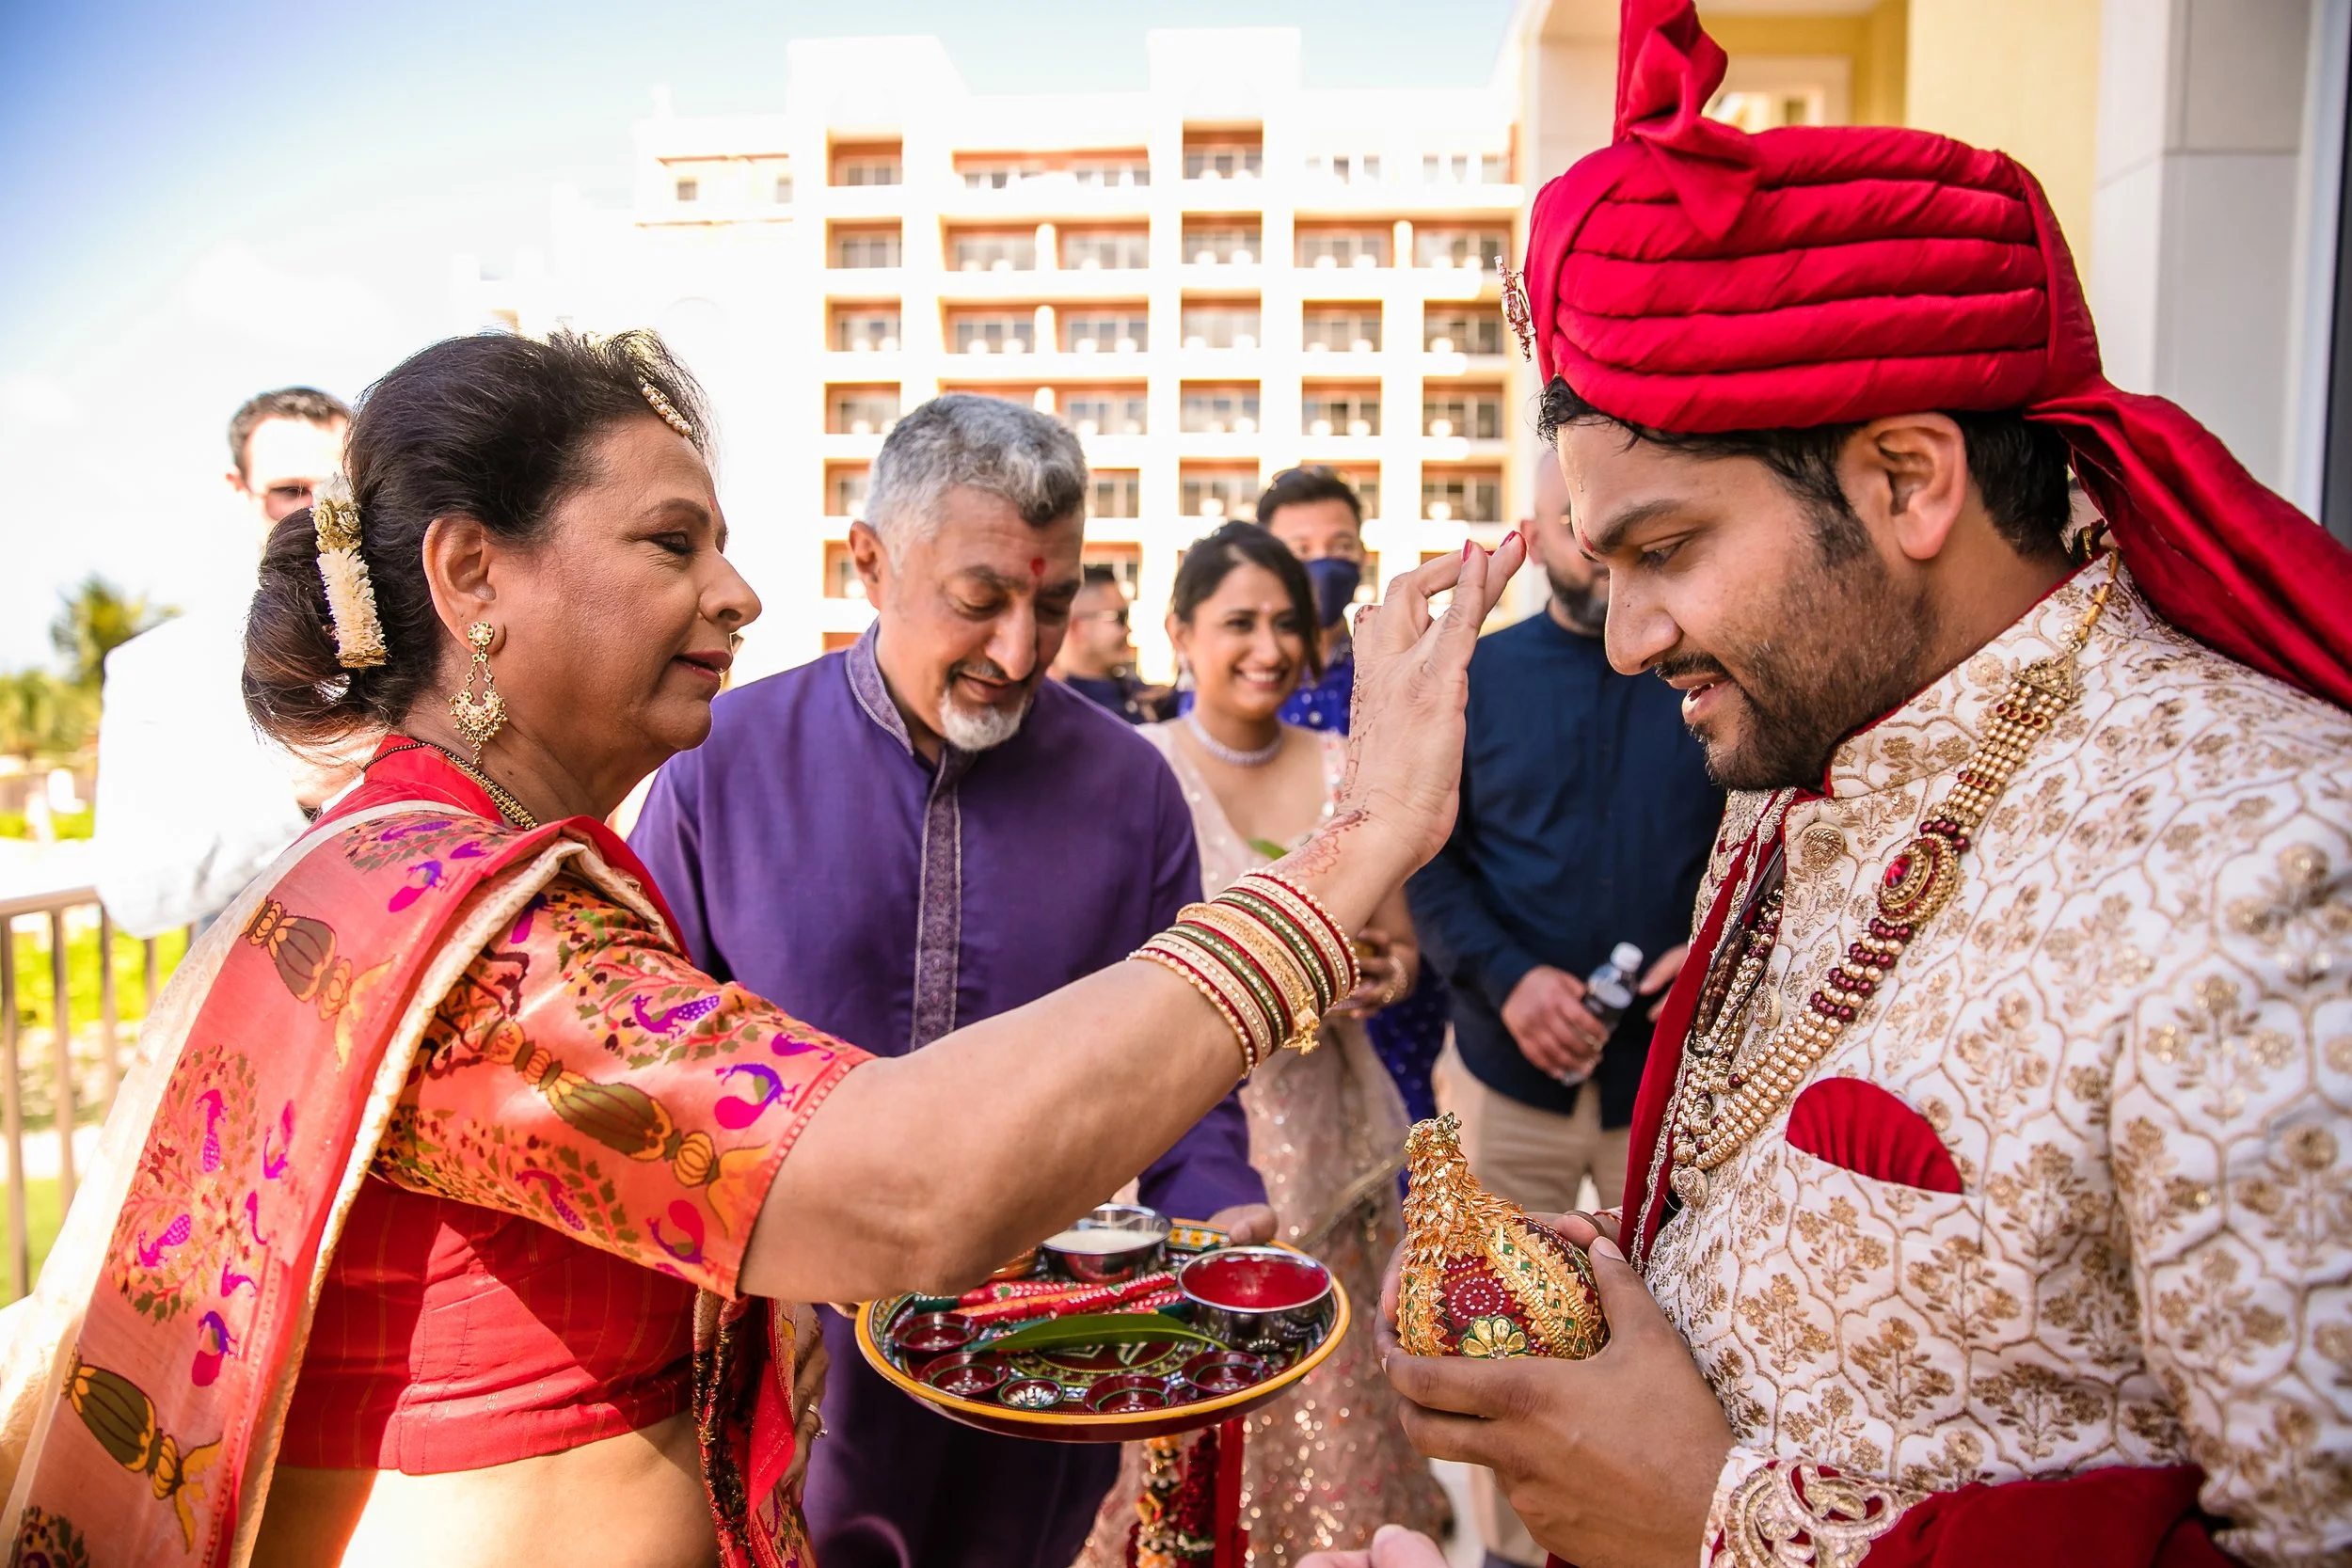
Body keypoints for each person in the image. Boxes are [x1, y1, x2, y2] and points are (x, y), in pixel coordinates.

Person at [0, 330, 1524, 1568]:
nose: (738, 593)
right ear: (473, 577)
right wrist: (1355, 846)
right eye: (672, 541)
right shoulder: (481, 953)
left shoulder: (435, 876)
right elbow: (904, 1180)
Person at [1313, 4, 2352, 1566]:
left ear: (1908, 479)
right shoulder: (1816, 749)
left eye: (1667, 551)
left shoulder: (2270, 874)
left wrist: (1724, 1525)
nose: (1631, 638)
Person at [628, 396, 1274, 1568]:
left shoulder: (1129, 793)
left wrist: (1217, 1197)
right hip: (791, 1347)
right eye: (980, 600)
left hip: (1048, 1350)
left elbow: (1188, 1069)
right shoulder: (720, 764)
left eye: (1054, 601)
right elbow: (648, 1077)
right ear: (868, 563)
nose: (1020, 652)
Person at [1074, 524, 1447, 1568]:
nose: (1269, 645)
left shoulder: (1348, 770)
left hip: (1331, 1140)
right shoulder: (1135, 772)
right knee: (1188, 1413)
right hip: (1192, 1131)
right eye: (1238, 620)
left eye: (1288, 621)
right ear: (1179, 633)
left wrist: (1383, 974)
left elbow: (1403, 946)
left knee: (1331, 1393)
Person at [1402, 453, 1720, 1568]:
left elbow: (1761, 827)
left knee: (1677, 1333)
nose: (1594, 550)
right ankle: (1503, 1549)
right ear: (1534, 536)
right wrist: (1509, 978)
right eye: (1571, 527)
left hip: (1671, 1081)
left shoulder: (1709, 669)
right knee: (1490, 1331)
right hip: (1507, 1069)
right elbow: (1427, 865)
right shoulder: (1478, 678)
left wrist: (1711, 946)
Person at [93, 388, 359, 937]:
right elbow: (135, 895)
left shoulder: (437, 630)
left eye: (340, 490)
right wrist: (301, 791)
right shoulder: (159, 669)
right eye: (290, 491)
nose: (319, 512)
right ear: (239, 491)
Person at [1256, 466, 1453, 1126]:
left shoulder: (1397, 667)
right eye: (1300, 550)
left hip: (1394, 971)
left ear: (1362, 554)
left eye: (1338, 547)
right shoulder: (1233, 684)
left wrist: (1397, 961)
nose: (1322, 564)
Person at [1050, 564, 1167, 723]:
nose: (1128, 630)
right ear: (1077, 628)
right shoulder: (1051, 711)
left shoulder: (1150, 699)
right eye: (1120, 618)